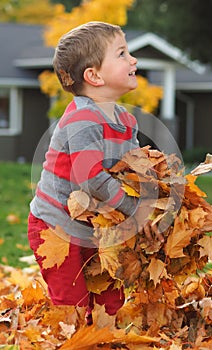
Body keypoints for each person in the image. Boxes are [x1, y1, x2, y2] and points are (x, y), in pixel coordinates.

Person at [28, 21, 163, 322]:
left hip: (95, 228)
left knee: (109, 304)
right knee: (71, 307)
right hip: (56, 227)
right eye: (122, 53)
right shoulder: (82, 118)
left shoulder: (126, 120)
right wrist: (134, 210)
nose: (134, 60)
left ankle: (103, 337)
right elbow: (90, 178)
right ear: (94, 76)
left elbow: (127, 171)